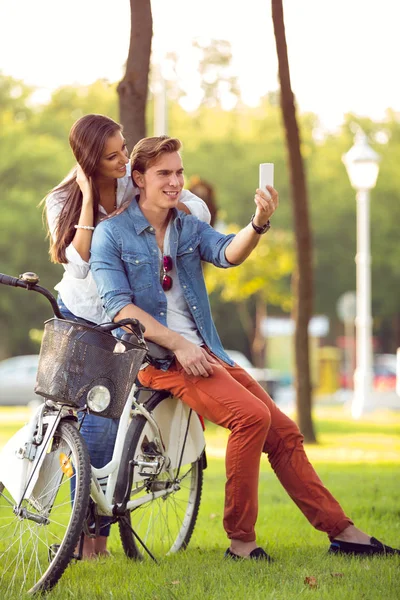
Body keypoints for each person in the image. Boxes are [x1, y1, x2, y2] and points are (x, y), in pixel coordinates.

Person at [89, 134, 400, 561]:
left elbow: (227, 253)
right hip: (158, 359)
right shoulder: (112, 235)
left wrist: (257, 223)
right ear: (138, 177)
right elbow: (118, 307)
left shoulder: (186, 225)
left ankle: (343, 532)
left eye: (179, 172)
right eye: (164, 173)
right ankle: (241, 542)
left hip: (208, 352)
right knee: (250, 417)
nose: (175, 181)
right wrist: (179, 345)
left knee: (286, 434)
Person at [44, 115, 211, 559]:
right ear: (88, 160)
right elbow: (78, 264)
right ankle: (84, 536)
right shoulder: (60, 199)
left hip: (126, 320)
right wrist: (83, 193)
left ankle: (92, 542)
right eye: (113, 155)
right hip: (82, 320)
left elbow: (199, 211)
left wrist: (161, 203)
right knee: (80, 430)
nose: (123, 160)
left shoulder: (129, 187)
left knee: (105, 423)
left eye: (124, 150)